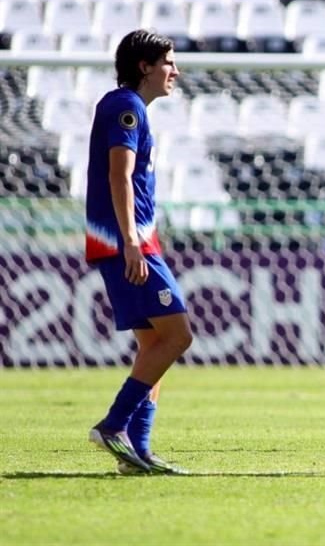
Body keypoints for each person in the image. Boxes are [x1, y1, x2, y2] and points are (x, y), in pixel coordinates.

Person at [86, 29, 192, 474]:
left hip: (134, 240)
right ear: (144, 66)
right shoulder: (125, 106)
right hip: (126, 243)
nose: (175, 70)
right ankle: (114, 425)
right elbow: (119, 176)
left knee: (154, 344)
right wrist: (131, 240)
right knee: (177, 336)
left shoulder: (129, 108)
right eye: (168, 61)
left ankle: (137, 450)